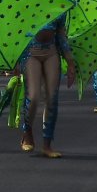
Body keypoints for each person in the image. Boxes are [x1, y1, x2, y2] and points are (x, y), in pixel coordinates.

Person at [19, 12, 75, 157]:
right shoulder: (26, 2)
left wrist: (70, 62)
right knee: (33, 96)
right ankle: (27, 130)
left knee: (52, 98)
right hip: (30, 53)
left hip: (51, 52)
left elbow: (61, 36)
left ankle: (47, 145)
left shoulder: (60, 6)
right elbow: (15, 30)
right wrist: (14, 59)